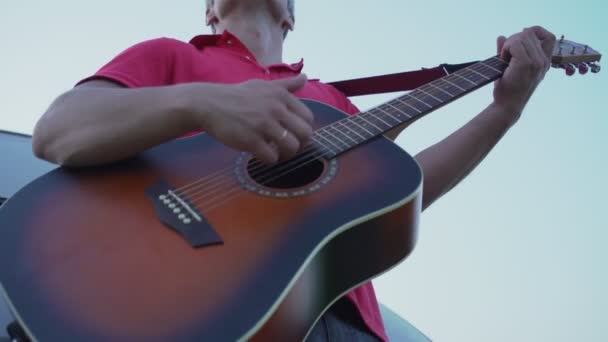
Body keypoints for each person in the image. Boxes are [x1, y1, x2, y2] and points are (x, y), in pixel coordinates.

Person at [31, 0, 556, 340]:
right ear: (210, 11)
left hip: (344, 322)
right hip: (193, 311)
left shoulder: (327, 101)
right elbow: (57, 130)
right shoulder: (171, 56)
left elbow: (404, 192)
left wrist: (502, 112)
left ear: (291, 14)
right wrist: (199, 104)